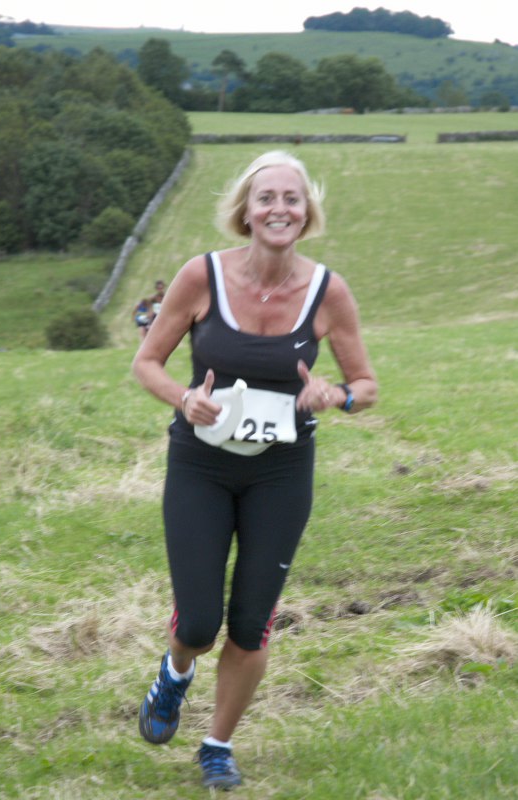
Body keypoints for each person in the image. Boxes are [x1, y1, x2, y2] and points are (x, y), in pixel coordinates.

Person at [132, 150, 377, 790]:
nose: (279, 209)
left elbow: (366, 385)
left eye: (292, 198)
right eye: (266, 198)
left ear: (307, 212)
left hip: (282, 474)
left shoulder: (328, 291)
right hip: (201, 465)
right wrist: (184, 398)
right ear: (245, 210)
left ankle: (217, 745)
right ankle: (175, 673)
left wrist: (336, 395)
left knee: (250, 623)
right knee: (198, 624)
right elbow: (147, 363)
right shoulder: (201, 276)